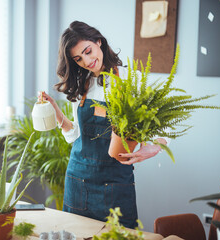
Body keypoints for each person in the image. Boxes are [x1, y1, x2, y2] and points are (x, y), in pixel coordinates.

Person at [41, 21, 169, 228]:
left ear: (98, 42)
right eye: (78, 59)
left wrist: (154, 148)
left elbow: (163, 123)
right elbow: (75, 136)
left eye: (88, 51)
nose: (87, 61)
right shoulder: (81, 86)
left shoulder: (131, 79)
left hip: (116, 184)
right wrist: (57, 113)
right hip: (78, 180)